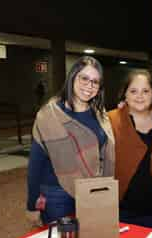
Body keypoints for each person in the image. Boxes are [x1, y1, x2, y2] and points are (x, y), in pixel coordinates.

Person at [26, 56, 115, 225]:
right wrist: (32, 205)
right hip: (57, 196)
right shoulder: (49, 116)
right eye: (84, 78)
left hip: (93, 191)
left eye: (95, 82)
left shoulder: (100, 115)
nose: (89, 86)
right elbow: (35, 165)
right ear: (73, 77)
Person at [108, 71, 152, 229]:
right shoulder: (110, 120)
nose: (140, 96)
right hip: (120, 210)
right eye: (133, 91)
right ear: (125, 95)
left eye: (146, 91)